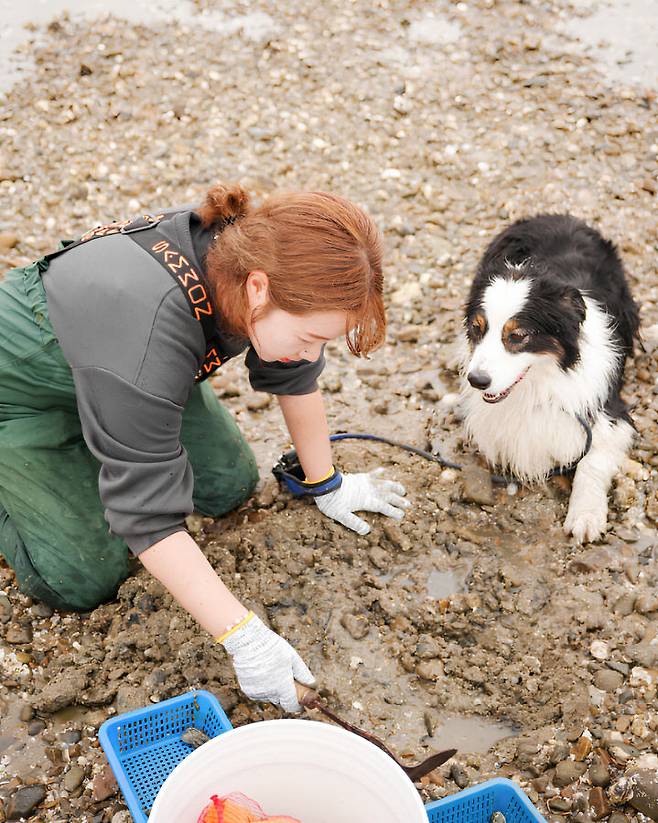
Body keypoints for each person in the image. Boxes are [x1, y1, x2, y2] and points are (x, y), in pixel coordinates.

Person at [0, 184, 410, 711]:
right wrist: (245, 637)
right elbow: (147, 518)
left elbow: (294, 374)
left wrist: (326, 483)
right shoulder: (148, 331)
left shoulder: (254, 265)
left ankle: (112, 439)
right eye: (312, 336)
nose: (314, 351)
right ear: (258, 290)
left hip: (125, 375)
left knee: (229, 483)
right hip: (24, 395)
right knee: (82, 577)